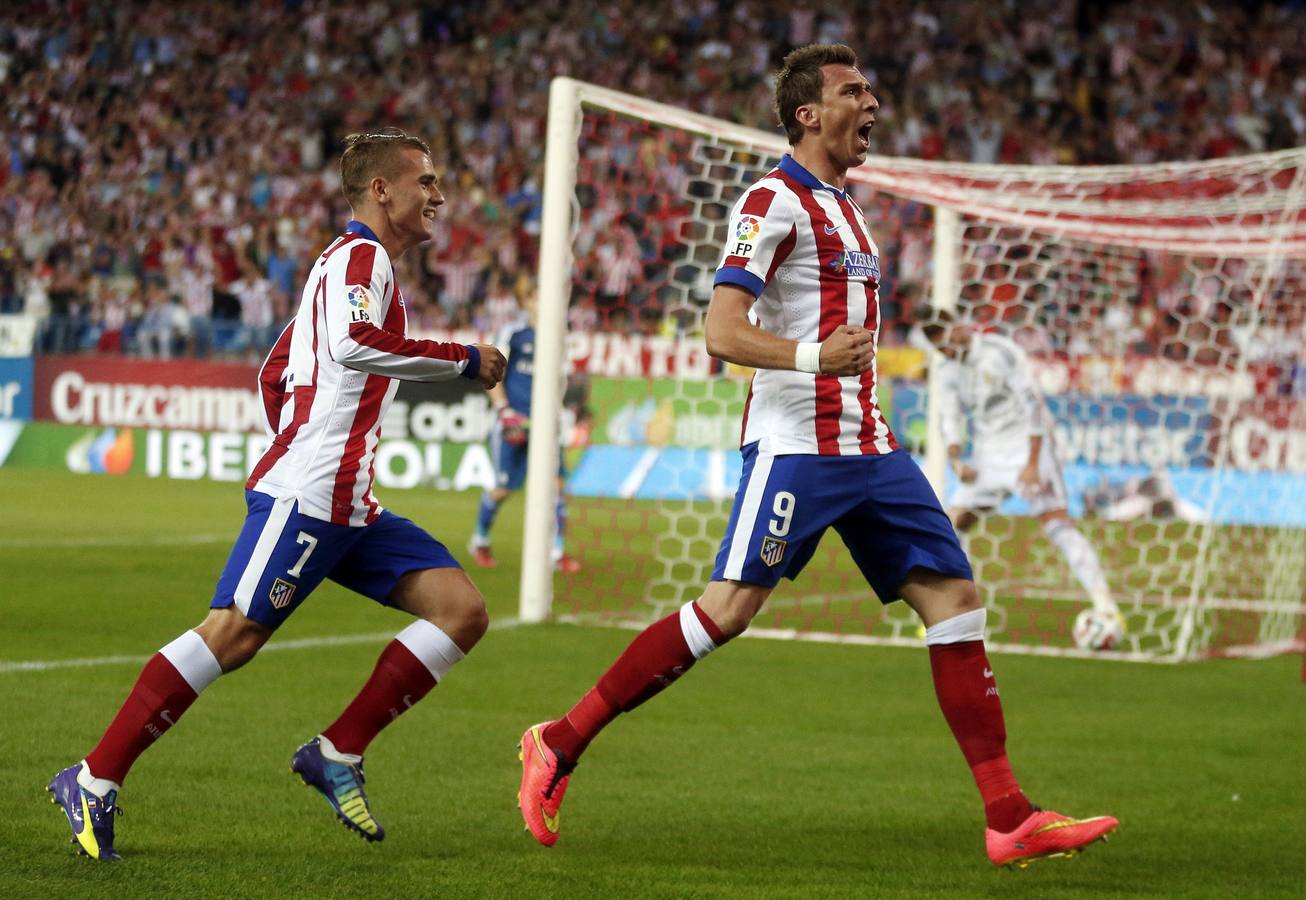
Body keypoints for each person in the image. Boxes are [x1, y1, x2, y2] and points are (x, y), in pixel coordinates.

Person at [515, 44, 1118, 869]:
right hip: (800, 447)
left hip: (870, 445)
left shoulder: (848, 206)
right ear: (809, 113)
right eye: (853, 91)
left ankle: (1009, 815)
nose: (872, 102)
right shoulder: (775, 199)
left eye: (870, 87)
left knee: (955, 597)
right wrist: (811, 358)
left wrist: (846, 374)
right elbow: (721, 330)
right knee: (726, 612)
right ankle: (558, 740)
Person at [47, 129, 507, 860]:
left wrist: (306, 431)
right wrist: (461, 360)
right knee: (232, 635)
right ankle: (94, 778)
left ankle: (338, 752)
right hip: (312, 495)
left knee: (461, 612)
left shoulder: (349, 265)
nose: (439, 196)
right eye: (425, 181)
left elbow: (276, 369)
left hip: (349, 502)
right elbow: (353, 342)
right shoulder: (360, 258)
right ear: (381, 190)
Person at [915, 308, 1123, 630]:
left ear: (958, 329)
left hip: (1028, 446)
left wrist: (1032, 463)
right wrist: (958, 460)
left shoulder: (1000, 352)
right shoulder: (948, 370)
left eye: (946, 345)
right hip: (989, 453)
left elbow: (1033, 405)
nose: (946, 353)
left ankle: (1106, 606)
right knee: (953, 524)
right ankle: (957, 613)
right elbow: (951, 418)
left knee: (1055, 523)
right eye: (940, 350)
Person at [468, 292, 580, 573]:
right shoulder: (514, 334)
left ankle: (556, 553)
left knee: (556, 487)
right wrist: (504, 411)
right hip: (514, 422)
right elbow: (492, 373)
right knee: (504, 488)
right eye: (538, 297)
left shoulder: (559, 338)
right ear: (527, 301)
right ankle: (480, 540)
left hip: (545, 425)